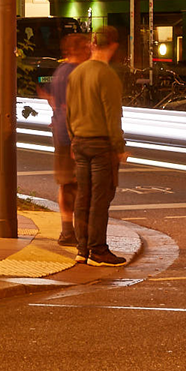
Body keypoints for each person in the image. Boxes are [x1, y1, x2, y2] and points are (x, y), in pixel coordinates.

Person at [66, 25, 129, 267]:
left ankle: (82, 249)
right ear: (113, 46)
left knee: (83, 196)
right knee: (100, 199)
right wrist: (119, 146)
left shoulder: (77, 73)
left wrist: (74, 137)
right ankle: (98, 250)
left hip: (80, 141)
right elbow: (112, 115)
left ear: (93, 44)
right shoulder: (107, 75)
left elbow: (69, 111)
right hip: (101, 143)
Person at [37, 33, 91, 246]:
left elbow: (51, 99)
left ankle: (67, 230)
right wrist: (75, 138)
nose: (90, 50)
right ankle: (78, 232)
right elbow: (72, 108)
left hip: (60, 134)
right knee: (79, 186)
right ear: (79, 50)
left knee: (66, 185)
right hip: (72, 137)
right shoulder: (77, 73)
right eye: (86, 47)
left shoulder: (60, 72)